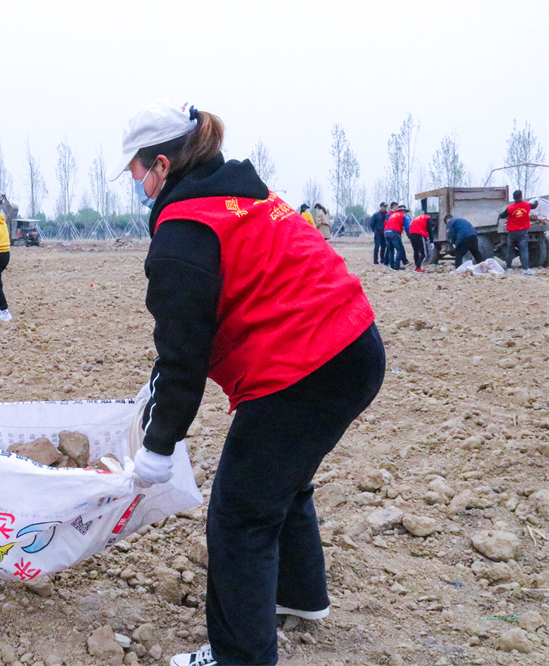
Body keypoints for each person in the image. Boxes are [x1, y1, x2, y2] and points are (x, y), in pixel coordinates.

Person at [108, 100, 385, 666]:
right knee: (282, 479)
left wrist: (159, 446)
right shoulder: (240, 197)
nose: (134, 181)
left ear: (161, 165)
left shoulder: (184, 229)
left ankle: (238, 657)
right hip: (354, 347)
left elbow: (184, 353)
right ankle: (300, 598)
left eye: (136, 169)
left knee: (239, 516)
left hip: (305, 370)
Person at [498, 189, 539, 275]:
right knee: (523, 250)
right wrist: (536, 201)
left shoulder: (510, 208)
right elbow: (534, 205)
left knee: (510, 250)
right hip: (523, 232)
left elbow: (502, 216)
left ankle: (509, 267)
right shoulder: (526, 205)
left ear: (513, 198)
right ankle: (525, 269)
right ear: (521, 196)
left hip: (512, 233)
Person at [383, 204, 410, 270]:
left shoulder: (392, 215)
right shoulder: (403, 215)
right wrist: (409, 235)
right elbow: (407, 227)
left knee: (390, 249)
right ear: (404, 211)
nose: (406, 213)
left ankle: (392, 265)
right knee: (400, 250)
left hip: (386, 232)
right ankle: (397, 266)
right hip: (394, 232)